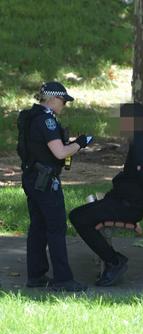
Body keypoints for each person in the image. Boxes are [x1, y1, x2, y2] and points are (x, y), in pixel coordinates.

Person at [69, 103, 143, 286]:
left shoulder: (141, 144)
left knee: (78, 217)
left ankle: (114, 261)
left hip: (129, 207)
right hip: (122, 200)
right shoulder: (139, 140)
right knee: (81, 215)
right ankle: (113, 260)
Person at [17, 82, 91, 291]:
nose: (64, 105)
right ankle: (63, 280)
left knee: (38, 227)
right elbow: (59, 153)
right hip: (46, 181)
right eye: (63, 101)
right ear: (53, 99)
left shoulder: (32, 116)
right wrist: (81, 143)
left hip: (33, 178)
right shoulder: (46, 120)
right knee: (56, 228)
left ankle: (36, 275)